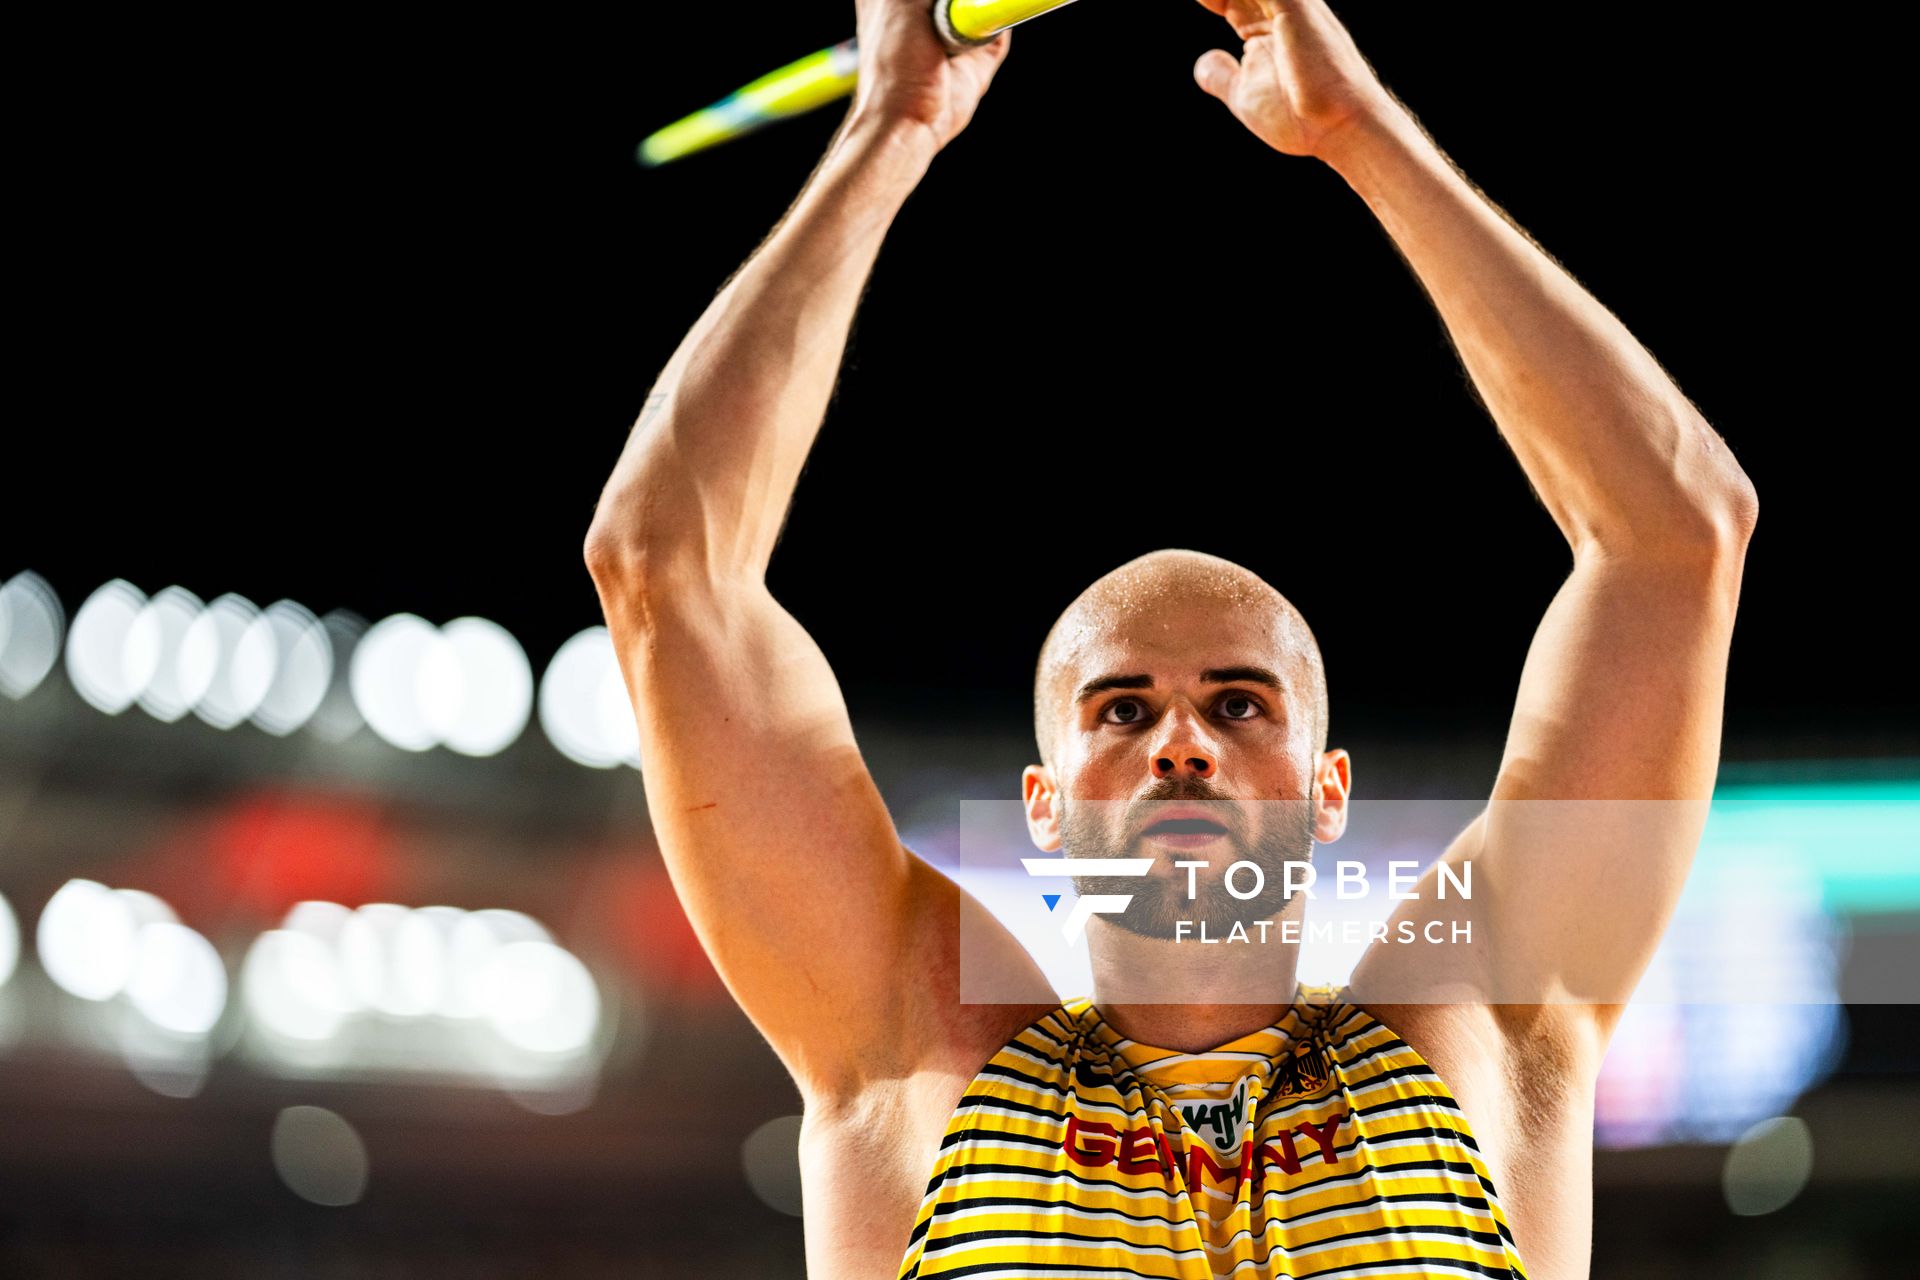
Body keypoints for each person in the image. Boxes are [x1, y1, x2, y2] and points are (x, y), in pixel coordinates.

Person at [583, 2, 1758, 1276]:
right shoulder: (924, 1049)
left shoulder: (1474, 1032)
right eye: (1121, 708)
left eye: (1243, 704)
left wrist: (1360, 132)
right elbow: (663, 565)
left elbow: (1678, 533)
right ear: (1042, 802)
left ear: (1326, 787)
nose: (1183, 743)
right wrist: (891, 127)